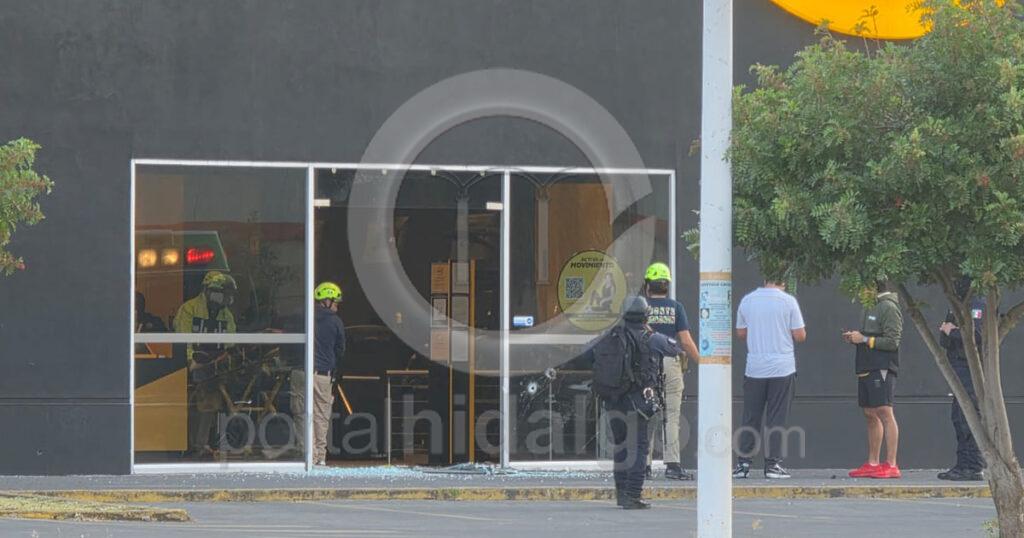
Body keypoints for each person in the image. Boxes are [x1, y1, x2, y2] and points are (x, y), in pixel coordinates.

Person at [592, 295, 683, 509]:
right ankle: (633, 495)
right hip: (639, 401)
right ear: (646, 316)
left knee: (621, 446)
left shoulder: (610, 337)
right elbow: (675, 349)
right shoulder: (651, 338)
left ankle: (622, 494)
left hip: (613, 399)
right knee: (639, 448)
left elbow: (590, 357)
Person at [732, 278, 806, 480]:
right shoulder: (788, 301)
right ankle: (772, 464)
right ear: (783, 280)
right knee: (776, 418)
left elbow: (741, 333)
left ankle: (743, 464)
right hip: (782, 368)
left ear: (765, 279)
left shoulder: (748, 300)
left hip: (755, 367)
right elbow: (800, 335)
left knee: (751, 416)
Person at [642, 262, 699, 481]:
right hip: (670, 363)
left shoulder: (641, 307)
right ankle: (673, 465)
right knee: (672, 415)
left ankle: (644, 466)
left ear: (648, 285)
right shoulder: (676, 308)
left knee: (646, 413)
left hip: (646, 364)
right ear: (667, 285)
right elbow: (686, 340)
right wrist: (703, 363)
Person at [173, 271, 237, 456]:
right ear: (209, 291)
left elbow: (231, 341)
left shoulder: (226, 315)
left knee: (213, 401)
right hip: (193, 364)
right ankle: (193, 444)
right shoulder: (189, 309)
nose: (226, 298)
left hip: (215, 365)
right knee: (197, 403)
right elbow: (182, 340)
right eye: (222, 293)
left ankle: (205, 443)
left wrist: (226, 357)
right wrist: (191, 362)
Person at [843, 283, 903, 479]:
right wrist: (856, 338)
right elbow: (867, 336)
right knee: (870, 413)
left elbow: (893, 341)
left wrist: (864, 339)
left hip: (881, 366)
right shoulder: (869, 306)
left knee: (885, 411)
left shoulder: (889, 307)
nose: (860, 291)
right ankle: (873, 463)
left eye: (863, 286)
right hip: (865, 366)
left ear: (872, 286)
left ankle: (891, 464)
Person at [291, 281, 346, 466]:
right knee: (321, 416)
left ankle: (307, 454)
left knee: (301, 414)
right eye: (335, 302)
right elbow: (341, 350)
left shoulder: (302, 317)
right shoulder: (335, 321)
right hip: (322, 374)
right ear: (326, 301)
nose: (337, 306)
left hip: (301, 372)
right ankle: (319, 456)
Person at [938, 277, 985, 481]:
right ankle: (963, 464)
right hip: (957, 366)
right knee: (958, 417)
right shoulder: (957, 304)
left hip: (970, 369)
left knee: (969, 418)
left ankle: (973, 466)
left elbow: (978, 336)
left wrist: (952, 331)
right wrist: (948, 331)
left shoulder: (977, 303)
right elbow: (944, 338)